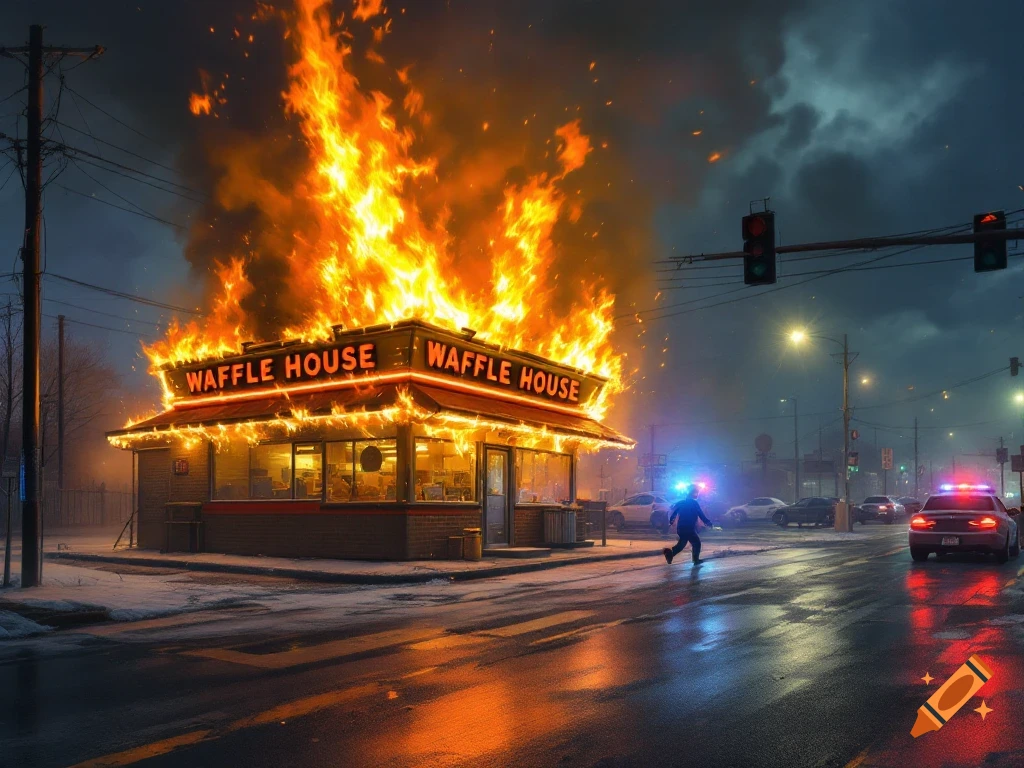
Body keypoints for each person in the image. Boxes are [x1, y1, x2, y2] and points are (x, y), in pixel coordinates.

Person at [664, 484, 712, 565]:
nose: (698, 494)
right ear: (693, 493)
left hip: (681, 527)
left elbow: (674, 513)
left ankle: (670, 554)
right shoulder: (694, 503)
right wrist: (707, 522)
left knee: (682, 543)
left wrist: (671, 521)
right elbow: (700, 513)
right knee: (696, 543)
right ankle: (695, 560)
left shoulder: (681, 502)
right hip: (689, 526)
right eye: (697, 492)